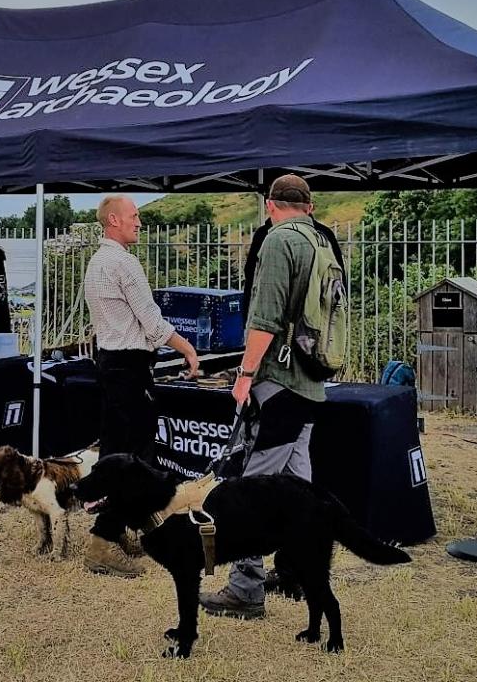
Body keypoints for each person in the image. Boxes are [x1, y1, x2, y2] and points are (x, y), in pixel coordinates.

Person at [201, 174, 328, 620]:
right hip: (313, 382)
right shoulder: (322, 240)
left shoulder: (278, 241)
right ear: (308, 206)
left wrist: (245, 372)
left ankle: (245, 588)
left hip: (278, 381)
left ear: (272, 205)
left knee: (250, 487)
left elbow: (266, 319)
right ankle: (295, 568)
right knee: (298, 484)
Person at [82, 194, 200, 577]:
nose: (139, 222)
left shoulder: (97, 262)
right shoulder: (124, 263)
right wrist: (187, 349)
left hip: (110, 363)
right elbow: (151, 320)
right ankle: (104, 539)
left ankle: (120, 533)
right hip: (131, 367)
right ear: (113, 220)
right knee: (137, 459)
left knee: (115, 452)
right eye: (134, 216)